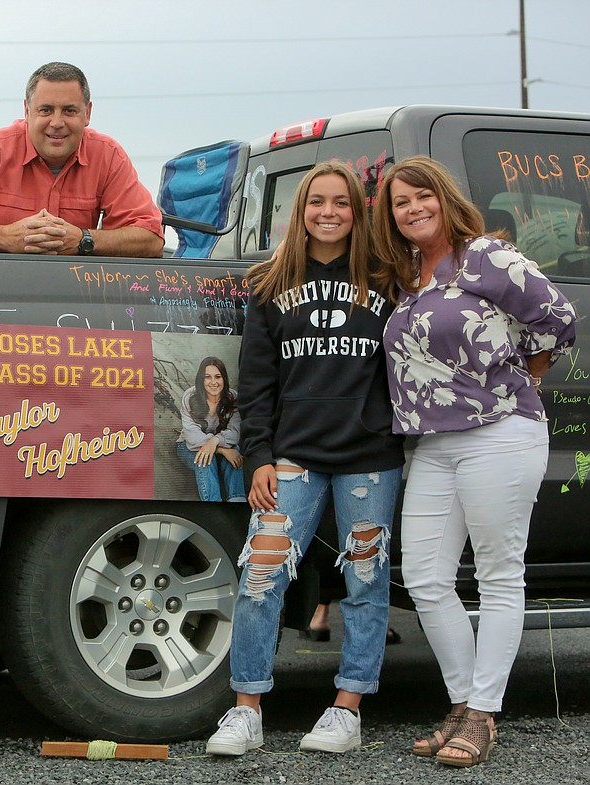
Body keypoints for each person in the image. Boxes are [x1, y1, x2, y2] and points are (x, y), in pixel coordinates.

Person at [374, 156, 577, 767]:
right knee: (427, 578)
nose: (412, 209)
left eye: (421, 197)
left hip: (500, 433)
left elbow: (558, 317)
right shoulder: (407, 273)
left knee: (497, 573)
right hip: (433, 443)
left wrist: (526, 375)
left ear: (444, 197)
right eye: (399, 203)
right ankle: (463, 705)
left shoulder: (484, 255)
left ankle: (483, 714)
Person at [205, 162, 404, 757]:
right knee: (261, 578)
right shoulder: (270, 281)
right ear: (300, 209)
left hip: (369, 455)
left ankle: (347, 709)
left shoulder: (385, 279)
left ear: (357, 211)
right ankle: (246, 711)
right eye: (316, 201)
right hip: (291, 455)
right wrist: (259, 455)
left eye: (341, 202)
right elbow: (256, 381)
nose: (328, 212)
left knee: (366, 582)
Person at [0, 62, 164, 258]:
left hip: (78, 290)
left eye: (69, 111)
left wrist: (82, 239)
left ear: (87, 113)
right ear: (27, 110)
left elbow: (151, 239)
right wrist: (4, 237)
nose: (57, 123)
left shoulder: (108, 155)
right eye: (45, 110)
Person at [175, 356, 246, 502]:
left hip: (220, 442)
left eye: (218, 377)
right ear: (202, 380)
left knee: (235, 451)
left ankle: (237, 500)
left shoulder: (232, 398)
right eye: (208, 377)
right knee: (206, 458)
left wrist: (215, 441)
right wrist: (221, 449)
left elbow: (235, 431)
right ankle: (213, 504)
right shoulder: (190, 396)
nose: (213, 382)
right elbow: (192, 436)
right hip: (189, 446)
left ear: (224, 379)